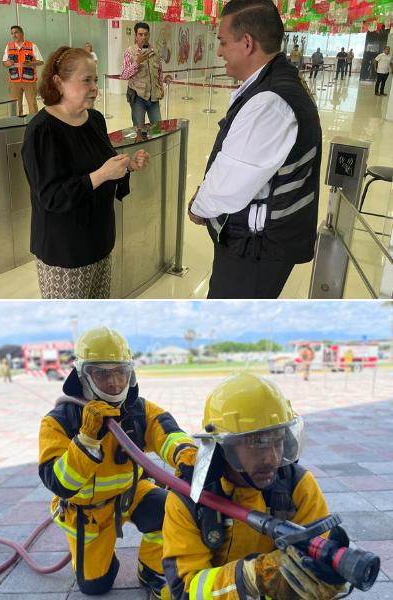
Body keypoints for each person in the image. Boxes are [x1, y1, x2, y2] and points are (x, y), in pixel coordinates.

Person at [38, 327, 196, 598]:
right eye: (102, 373)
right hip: (89, 513)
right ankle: (99, 559)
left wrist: (187, 456)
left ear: (130, 373)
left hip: (130, 494)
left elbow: (168, 433)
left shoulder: (138, 410)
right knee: (95, 587)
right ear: (83, 376)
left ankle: (152, 568)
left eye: (120, 372)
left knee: (173, 511)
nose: (113, 383)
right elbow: (60, 484)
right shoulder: (60, 422)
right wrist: (86, 441)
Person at [162, 373, 347, 600]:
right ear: (222, 446)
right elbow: (187, 590)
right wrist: (253, 576)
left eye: (278, 440)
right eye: (257, 442)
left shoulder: (298, 486)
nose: (272, 458)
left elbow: (315, 568)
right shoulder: (188, 500)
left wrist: (327, 574)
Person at [188, 0, 321, 299]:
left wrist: (198, 207)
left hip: (256, 250)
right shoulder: (279, 81)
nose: (219, 51)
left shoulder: (269, 101)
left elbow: (229, 184)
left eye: (222, 42)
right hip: (264, 247)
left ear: (247, 43)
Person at [23, 47, 150, 299]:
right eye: (86, 80)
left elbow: (106, 165)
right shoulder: (43, 130)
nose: (94, 87)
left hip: (99, 241)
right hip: (66, 251)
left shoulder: (95, 120)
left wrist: (127, 167)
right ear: (59, 82)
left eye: (95, 79)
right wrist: (101, 175)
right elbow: (51, 196)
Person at [120, 22, 173, 130]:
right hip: (138, 97)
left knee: (158, 128)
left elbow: (159, 71)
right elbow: (124, 75)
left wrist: (161, 87)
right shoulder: (129, 53)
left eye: (146, 34)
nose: (143, 37)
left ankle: (156, 146)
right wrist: (137, 62)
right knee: (139, 129)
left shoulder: (155, 52)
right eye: (140, 34)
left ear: (149, 35)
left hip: (153, 96)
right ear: (135, 36)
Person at [3, 25, 43, 116]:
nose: (14, 35)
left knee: (32, 105)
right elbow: (4, 62)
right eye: (12, 33)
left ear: (22, 33)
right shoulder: (8, 46)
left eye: (16, 32)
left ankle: (34, 124)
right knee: (16, 106)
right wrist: (7, 63)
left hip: (29, 81)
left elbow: (41, 62)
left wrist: (31, 63)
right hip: (14, 82)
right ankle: (17, 124)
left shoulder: (32, 46)